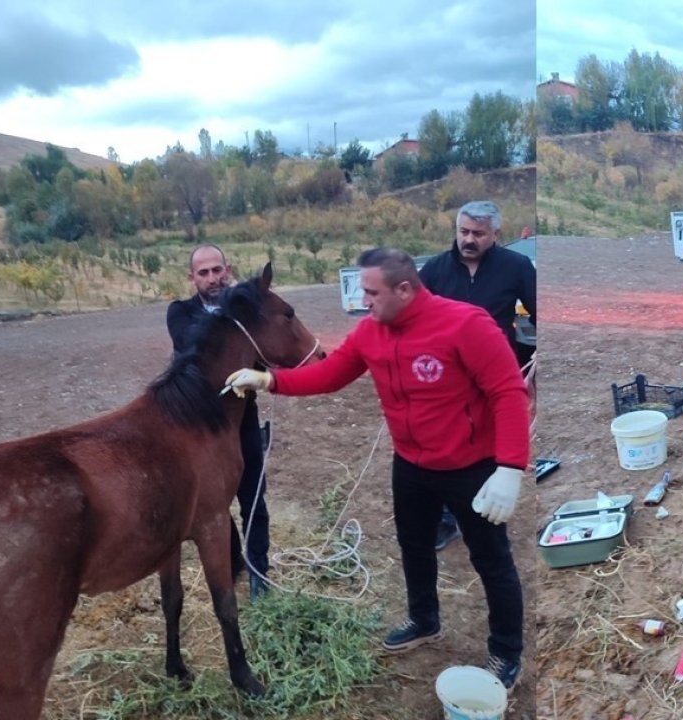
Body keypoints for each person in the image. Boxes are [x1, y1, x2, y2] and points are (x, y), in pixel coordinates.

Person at [224, 247, 530, 690]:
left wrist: (509, 468)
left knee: (492, 561)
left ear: (404, 289)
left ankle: (505, 651)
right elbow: (330, 375)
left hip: (471, 466)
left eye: (371, 292)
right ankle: (424, 620)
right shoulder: (371, 332)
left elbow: (507, 392)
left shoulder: (466, 324)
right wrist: (270, 380)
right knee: (414, 545)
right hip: (411, 464)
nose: (364, 300)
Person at [419, 200, 537, 552]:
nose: (469, 239)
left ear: (495, 235)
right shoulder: (434, 271)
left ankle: (483, 511)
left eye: (478, 234)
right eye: (464, 232)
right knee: (443, 445)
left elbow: (540, 310)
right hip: (445, 378)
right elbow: (413, 319)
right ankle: (444, 518)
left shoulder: (517, 267)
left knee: (488, 445)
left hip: (496, 376)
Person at [166, 244, 273, 600]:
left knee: (254, 495)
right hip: (200, 426)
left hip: (242, 417)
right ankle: (234, 559)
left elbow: (265, 355)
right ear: (191, 277)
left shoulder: (245, 309)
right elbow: (190, 348)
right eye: (204, 273)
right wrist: (236, 312)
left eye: (217, 270)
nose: (212, 278)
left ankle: (259, 569)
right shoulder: (179, 312)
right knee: (213, 502)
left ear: (227, 269)